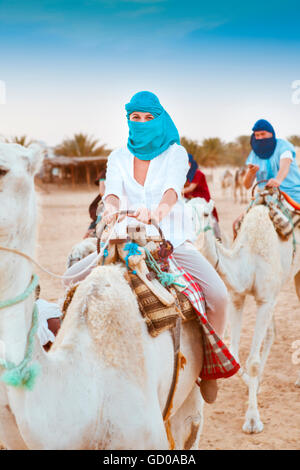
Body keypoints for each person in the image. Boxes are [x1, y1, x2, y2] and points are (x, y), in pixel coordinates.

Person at [101, 91, 228, 403]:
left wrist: (156, 213)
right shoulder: (117, 157)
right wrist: (109, 207)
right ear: (128, 119)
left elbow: (172, 189)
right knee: (70, 282)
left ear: (159, 119)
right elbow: (114, 192)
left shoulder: (175, 154)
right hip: (122, 236)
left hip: (169, 239)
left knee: (219, 296)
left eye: (148, 117)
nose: (142, 123)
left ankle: (209, 371)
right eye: (136, 117)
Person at [244, 119, 300, 201]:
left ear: (271, 133)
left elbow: (285, 165)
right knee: (245, 214)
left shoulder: (284, 146)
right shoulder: (254, 154)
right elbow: (247, 185)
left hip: (290, 194)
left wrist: (278, 179)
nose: (260, 138)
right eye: (257, 135)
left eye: (263, 134)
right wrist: (251, 173)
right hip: (264, 196)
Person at [182, 153, 222, 240]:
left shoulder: (198, 173)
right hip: (188, 200)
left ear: (190, 163)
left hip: (202, 200)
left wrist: (178, 191)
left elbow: (191, 188)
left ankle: (218, 238)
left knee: (211, 219)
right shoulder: (184, 174)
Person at [83, 168, 106, 238]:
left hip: (123, 200)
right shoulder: (105, 173)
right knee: (101, 215)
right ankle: (93, 232)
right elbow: (102, 192)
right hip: (108, 200)